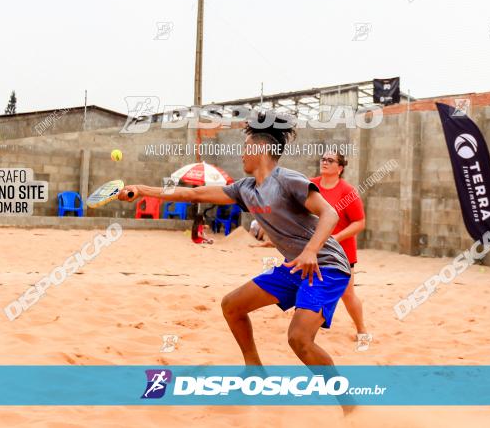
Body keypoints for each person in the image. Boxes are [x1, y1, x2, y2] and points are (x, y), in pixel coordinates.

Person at [117, 112, 352, 371]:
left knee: (299, 339)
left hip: (326, 266)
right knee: (232, 306)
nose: (241, 153)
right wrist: (142, 189)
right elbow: (193, 193)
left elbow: (330, 213)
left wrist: (310, 251)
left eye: (246, 147)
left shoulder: (287, 180)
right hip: (295, 266)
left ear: (262, 148)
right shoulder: (245, 189)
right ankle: (254, 368)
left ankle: (351, 407)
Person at [310, 149, 371, 351]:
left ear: (340, 167)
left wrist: (334, 238)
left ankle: (362, 330)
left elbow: (359, 222)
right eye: (323, 158)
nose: (324, 162)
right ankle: (308, 331)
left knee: (347, 294)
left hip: (341, 252)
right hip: (313, 249)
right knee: (310, 288)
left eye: (330, 160)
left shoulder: (347, 192)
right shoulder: (311, 186)